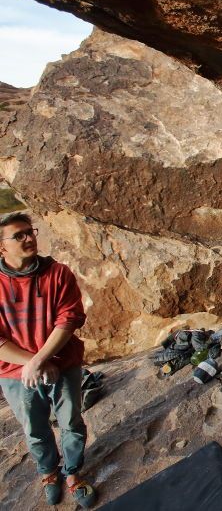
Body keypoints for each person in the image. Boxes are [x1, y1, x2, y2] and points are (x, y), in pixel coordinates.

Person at [0, 212, 97, 508]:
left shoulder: (58, 273)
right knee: (35, 429)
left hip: (61, 363)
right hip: (16, 372)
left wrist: (39, 360)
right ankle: (49, 473)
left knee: (71, 421)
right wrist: (33, 363)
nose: (29, 238)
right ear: (1, 247)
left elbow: (69, 320)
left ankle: (72, 473)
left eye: (30, 232)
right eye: (19, 235)